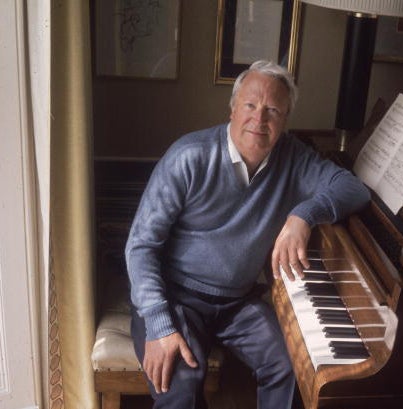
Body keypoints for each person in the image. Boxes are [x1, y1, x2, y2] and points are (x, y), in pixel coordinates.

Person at [125, 60, 370, 409]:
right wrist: (159, 324)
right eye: (251, 105)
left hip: (236, 301)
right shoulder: (189, 156)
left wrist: (304, 215)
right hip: (175, 295)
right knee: (181, 384)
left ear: (285, 120)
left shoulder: (294, 158)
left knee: (292, 366)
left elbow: (353, 188)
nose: (259, 119)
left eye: (273, 110)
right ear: (232, 108)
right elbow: (140, 247)